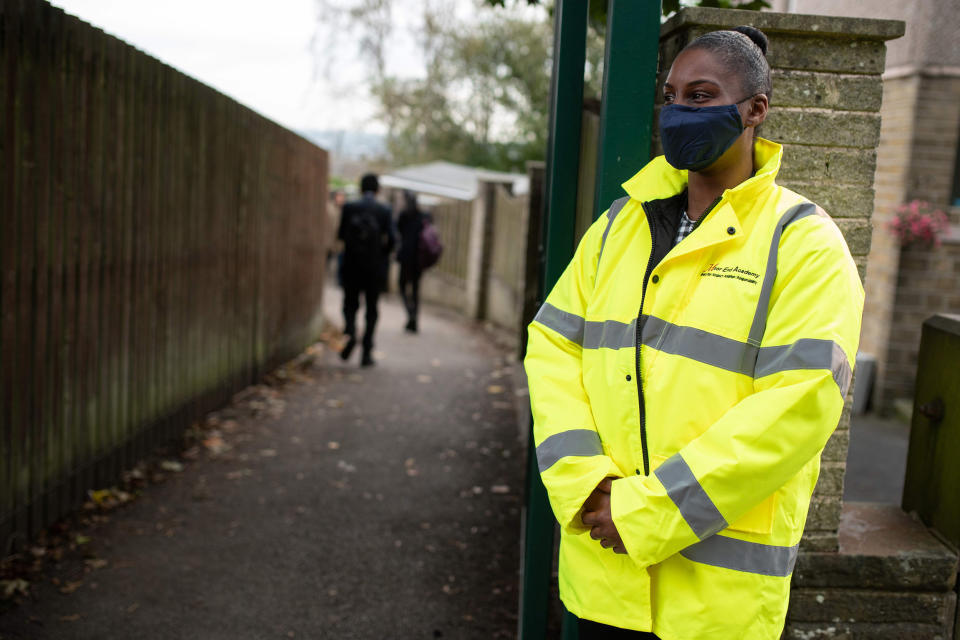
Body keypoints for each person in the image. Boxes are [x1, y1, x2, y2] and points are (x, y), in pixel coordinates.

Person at [524, 26, 863, 640]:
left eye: (701, 96)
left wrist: (649, 513)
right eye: (672, 95)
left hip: (716, 608)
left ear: (756, 109)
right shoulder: (618, 227)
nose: (679, 112)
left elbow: (799, 405)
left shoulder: (804, 243)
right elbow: (553, 347)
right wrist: (587, 483)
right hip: (604, 583)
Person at [337, 173, 394, 367]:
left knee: (350, 305)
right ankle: (366, 352)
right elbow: (393, 240)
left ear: (361, 188)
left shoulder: (350, 207)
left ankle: (351, 332)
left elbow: (341, 235)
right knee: (371, 310)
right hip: (374, 268)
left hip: (352, 266)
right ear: (377, 190)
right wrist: (381, 256)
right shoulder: (384, 210)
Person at [395, 190, 430, 333]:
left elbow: (398, 231)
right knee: (415, 289)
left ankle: (410, 313)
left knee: (402, 286)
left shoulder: (404, 216)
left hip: (406, 257)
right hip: (419, 259)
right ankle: (414, 317)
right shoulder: (424, 216)